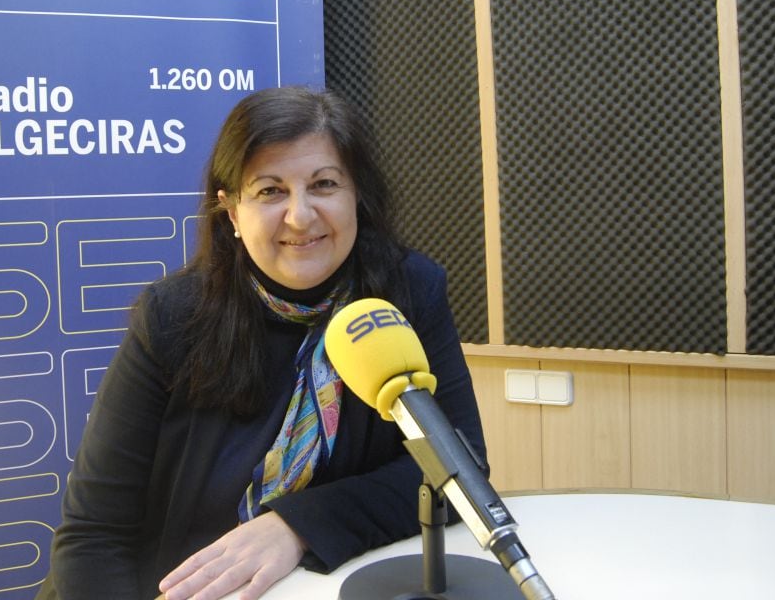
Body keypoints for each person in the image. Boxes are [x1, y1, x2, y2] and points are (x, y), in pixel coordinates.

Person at [37, 86, 487, 600]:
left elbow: (459, 468)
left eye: (323, 184)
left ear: (355, 193)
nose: (300, 216)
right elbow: (95, 532)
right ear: (231, 212)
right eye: (270, 191)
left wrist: (294, 526)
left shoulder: (409, 292)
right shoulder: (171, 316)